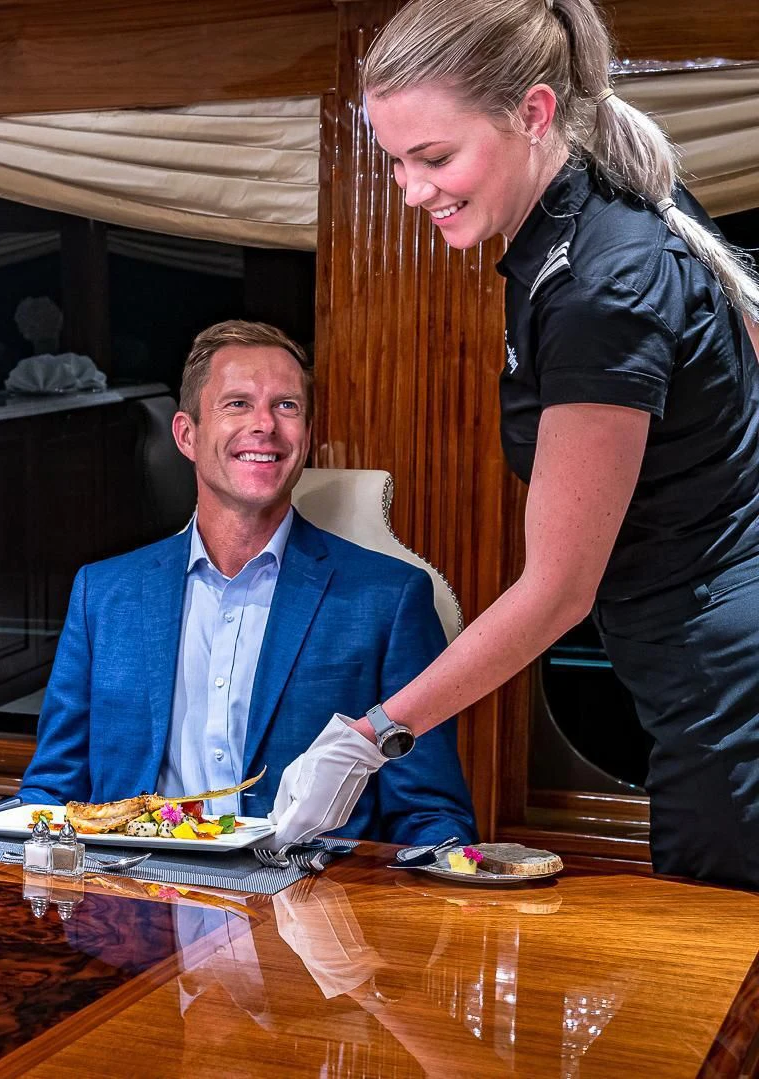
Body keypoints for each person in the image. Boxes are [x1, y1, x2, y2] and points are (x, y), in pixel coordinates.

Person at [271, 0, 759, 887]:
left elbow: (557, 591)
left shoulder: (599, 288)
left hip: (728, 685)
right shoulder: (601, 212)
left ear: (534, 114)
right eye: (396, 161)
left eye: (436, 157)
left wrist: (367, 738)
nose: (413, 190)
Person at [19, 321, 476, 847]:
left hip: (305, 909)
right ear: (186, 435)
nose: (264, 425)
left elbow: (431, 817)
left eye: (287, 406)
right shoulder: (102, 594)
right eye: (237, 404)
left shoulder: (388, 599)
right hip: (130, 907)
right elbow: (51, 795)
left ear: (306, 437)